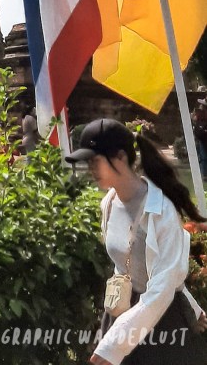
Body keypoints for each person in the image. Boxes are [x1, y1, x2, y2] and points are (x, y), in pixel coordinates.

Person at [66, 119, 207, 364]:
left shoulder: (161, 211)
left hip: (161, 325)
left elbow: (163, 285)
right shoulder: (109, 203)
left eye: (95, 160)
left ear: (120, 157)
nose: (90, 168)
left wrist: (112, 346)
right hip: (122, 316)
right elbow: (130, 266)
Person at [192, 100, 207, 180]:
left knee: (203, 156)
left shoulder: (203, 114)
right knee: (203, 156)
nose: (200, 106)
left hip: (203, 138)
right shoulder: (199, 114)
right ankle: (204, 174)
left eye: (202, 105)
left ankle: (205, 174)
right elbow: (196, 122)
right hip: (201, 138)